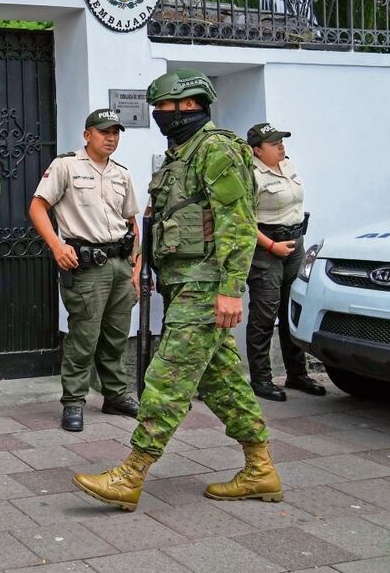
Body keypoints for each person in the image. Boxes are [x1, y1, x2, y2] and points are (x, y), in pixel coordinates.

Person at [72, 69, 282, 511]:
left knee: (165, 378)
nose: (158, 115)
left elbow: (238, 224)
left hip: (204, 288)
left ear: (188, 106)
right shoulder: (180, 156)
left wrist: (230, 290)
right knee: (224, 381)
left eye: (163, 108)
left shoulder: (217, 149)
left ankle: (132, 474)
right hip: (182, 284)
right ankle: (260, 468)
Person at [29, 109, 141, 432]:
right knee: (84, 337)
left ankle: (116, 395)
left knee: (117, 335)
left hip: (120, 264)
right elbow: (38, 206)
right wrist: (56, 245)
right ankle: (74, 401)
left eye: (116, 133)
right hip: (87, 266)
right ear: (87, 134)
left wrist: (136, 265)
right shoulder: (66, 166)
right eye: (104, 131)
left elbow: (131, 220)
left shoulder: (122, 173)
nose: (111, 138)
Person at [245, 123, 325, 400]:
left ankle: (297, 374)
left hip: (295, 245)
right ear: (257, 150)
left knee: (293, 311)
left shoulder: (287, 166)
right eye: (273, 142)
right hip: (267, 248)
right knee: (264, 314)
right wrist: (271, 245)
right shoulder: (250, 175)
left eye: (281, 140)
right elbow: (242, 220)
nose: (281, 145)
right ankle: (261, 379)